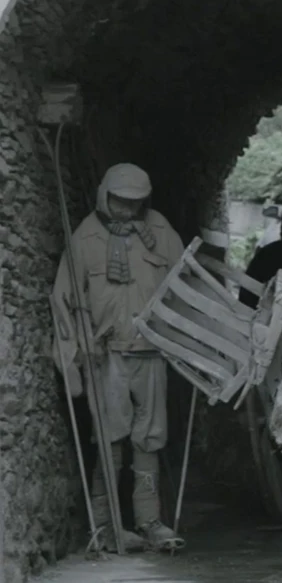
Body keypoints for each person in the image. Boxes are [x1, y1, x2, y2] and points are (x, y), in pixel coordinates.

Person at [49, 163, 186, 552]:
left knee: (151, 437)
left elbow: (185, 282)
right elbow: (63, 300)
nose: (127, 209)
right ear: (104, 194)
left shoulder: (160, 231)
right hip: (105, 354)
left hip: (152, 350)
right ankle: (106, 525)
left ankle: (150, 521)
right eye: (120, 201)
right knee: (109, 437)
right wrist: (73, 352)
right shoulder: (85, 238)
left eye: (135, 203)